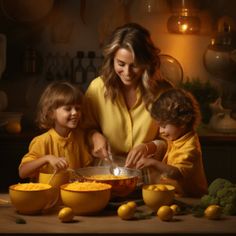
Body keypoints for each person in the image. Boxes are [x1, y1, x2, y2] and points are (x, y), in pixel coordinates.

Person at [84, 22, 172, 176]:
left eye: (135, 65)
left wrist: (149, 147)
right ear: (112, 60)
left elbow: (175, 140)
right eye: (121, 64)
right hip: (106, 174)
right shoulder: (97, 88)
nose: (127, 72)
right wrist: (94, 136)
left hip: (150, 179)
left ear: (147, 63)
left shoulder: (164, 91)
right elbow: (82, 130)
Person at [136, 88, 208, 197]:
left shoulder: (190, 147)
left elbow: (177, 173)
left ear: (182, 122)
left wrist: (153, 163)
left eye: (164, 126)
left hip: (193, 198)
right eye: (159, 126)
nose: (161, 131)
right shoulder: (177, 137)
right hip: (178, 194)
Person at [19, 81, 92, 180]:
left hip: (73, 195)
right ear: (51, 113)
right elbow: (23, 172)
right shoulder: (41, 141)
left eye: (77, 108)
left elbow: (87, 171)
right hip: (47, 195)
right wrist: (47, 158)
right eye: (68, 109)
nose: (75, 112)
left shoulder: (80, 138)